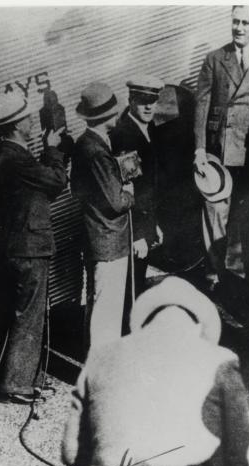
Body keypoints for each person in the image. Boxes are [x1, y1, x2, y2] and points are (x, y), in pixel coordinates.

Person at [61, 277, 249, 466]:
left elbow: (72, 455)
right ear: (198, 325)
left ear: (147, 321)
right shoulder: (221, 360)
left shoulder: (101, 356)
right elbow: (242, 463)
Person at [0, 91, 67, 404]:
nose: (32, 120)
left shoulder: (10, 155)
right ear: (16, 125)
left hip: (22, 244)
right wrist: (53, 151)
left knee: (32, 314)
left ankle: (30, 378)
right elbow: (56, 182)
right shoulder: (15, 158)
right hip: (29, 246)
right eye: (26, 117)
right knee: (29, 316)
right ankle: (17, 384)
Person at [194, 5, 249, 285]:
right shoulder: (215, 59)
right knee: (215, 213)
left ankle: (247, 279)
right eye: (235, 22)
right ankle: (213, 276)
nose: (239, 28)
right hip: (221, 151)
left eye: (245, 22)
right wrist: (200, 149)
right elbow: (202, 106)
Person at [71, 82, 134, 352]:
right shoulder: (96, 151)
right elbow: (117, 202)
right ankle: (102, 372)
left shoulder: (86, 143)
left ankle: (94, 367)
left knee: (98, 305)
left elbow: (77, 191)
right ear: (106, 117)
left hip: (97, 237)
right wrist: (130, 190)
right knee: (106, 310)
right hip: (109, 240)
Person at [110, 75, 164, 309]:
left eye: (153, 100)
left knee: (137, 284)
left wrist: (154, 225)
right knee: (132, 289)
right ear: (131, 100)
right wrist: (140, 233)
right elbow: (131, 188)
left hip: (144, 222)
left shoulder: (148, 127)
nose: (149, 106)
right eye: (143, 100)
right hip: (133, 228)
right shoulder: (124, 134)